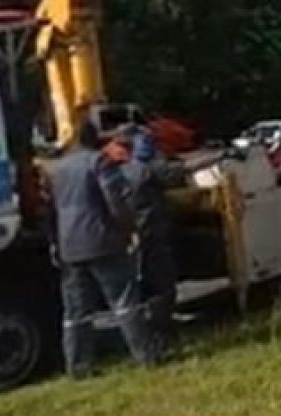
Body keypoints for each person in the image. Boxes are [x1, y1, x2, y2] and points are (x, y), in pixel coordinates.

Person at [43, 117, 158, 378]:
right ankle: (146, 356)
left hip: (69, 247)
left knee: (75, 312)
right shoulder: (100, 162)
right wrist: (129, 229)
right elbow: (115, 202)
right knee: (125, 301)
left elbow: (48, 212)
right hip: (102, 241)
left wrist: (54, 243)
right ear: (96, 140)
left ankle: (78, 367)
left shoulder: (56, 170)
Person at [117, 125, 184, 344]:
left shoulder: (115, 171)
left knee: (143, 284)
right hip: (152, 232)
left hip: (134, 235)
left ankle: (154, 330)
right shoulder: (142, 170)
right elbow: (171, 175)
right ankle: (162, 333)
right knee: (163, 284)